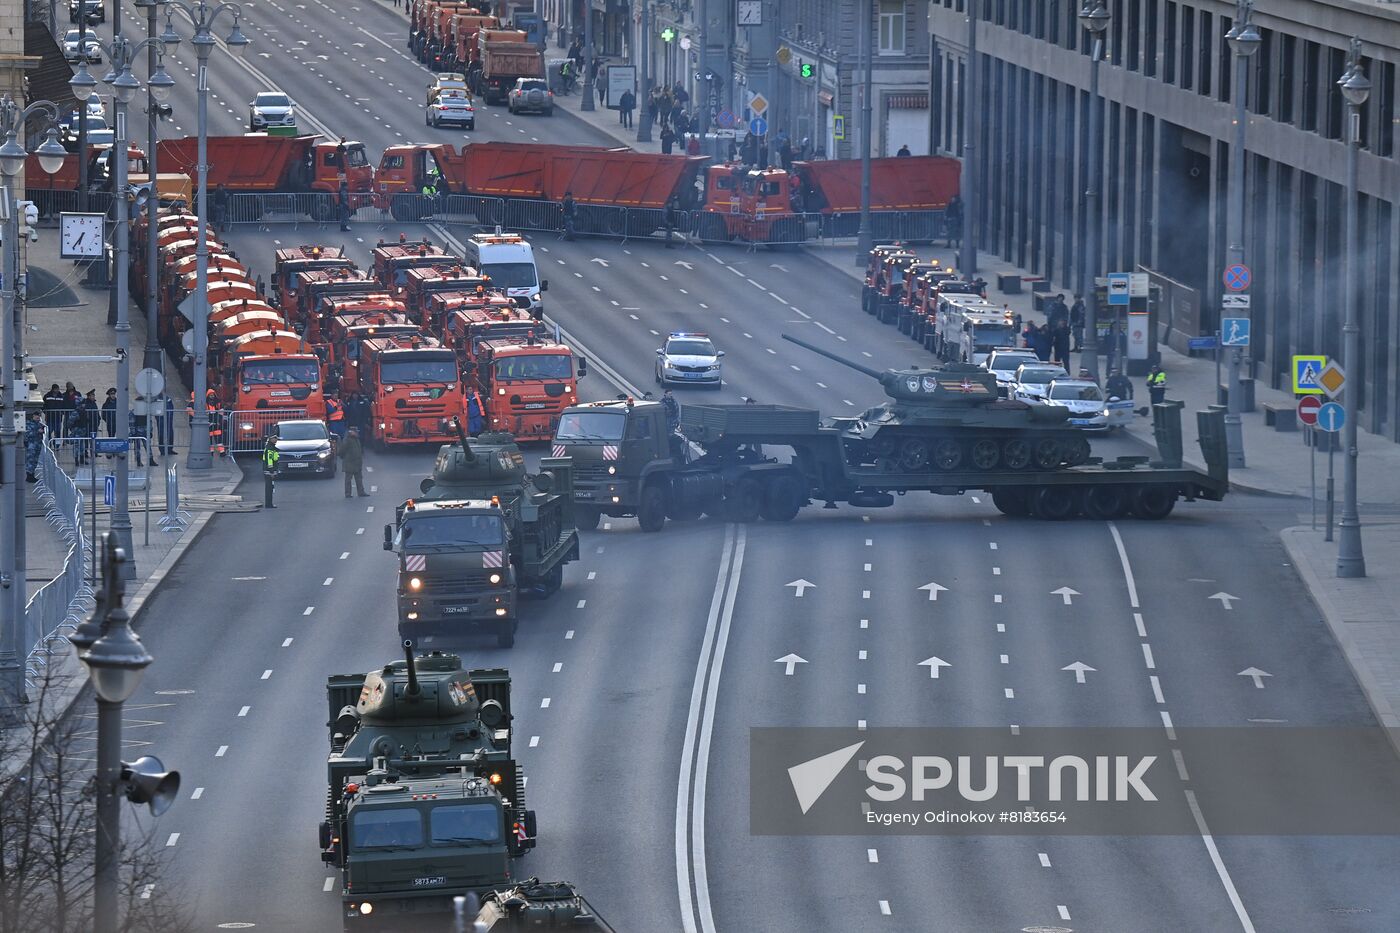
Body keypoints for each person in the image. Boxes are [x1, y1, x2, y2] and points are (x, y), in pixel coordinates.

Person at [339, 426, 368, 498]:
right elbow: (342, 450)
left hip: (357, 463)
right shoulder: (347, 440)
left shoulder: (356, 439)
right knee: (348, 479)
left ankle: (361, 492)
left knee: (359, 479)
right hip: (349, 463)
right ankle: (348, 494)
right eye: (356, 432)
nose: (357, 433)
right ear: (351, 432)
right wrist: (343, 457)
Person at [24, 410, 44, 483]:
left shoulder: (39, 424)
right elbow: (27, 434)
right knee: (30, 460)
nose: (38, 417)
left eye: (39, 415)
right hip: (31, 445)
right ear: (33, 416)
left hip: (37, 445)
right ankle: (29, 476)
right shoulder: (28, 424)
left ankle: (32, 475)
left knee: (35, 461)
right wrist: (37, 431)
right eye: (36, 415)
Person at [261, 435, 279, 509]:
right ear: (271, 439)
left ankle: (269, 503)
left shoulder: (271, 447)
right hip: (269, 471)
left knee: (270, 488)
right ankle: (269, 504)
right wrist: (271, 472)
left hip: (269, 471)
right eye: (275, 438)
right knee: (269, 488)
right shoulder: (270, 449)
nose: (276, 440)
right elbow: (270, 461)